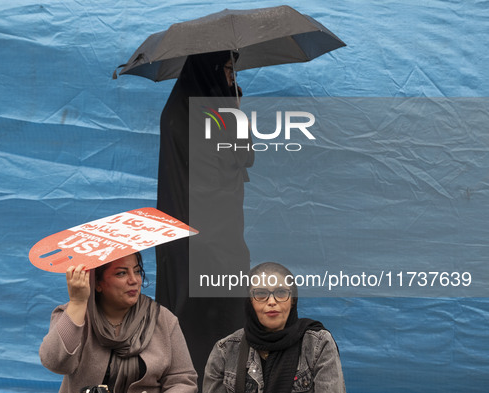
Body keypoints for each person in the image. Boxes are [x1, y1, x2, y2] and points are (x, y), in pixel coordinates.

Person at [155, 50, 254, 387]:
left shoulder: (181, 109)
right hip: (208, 241)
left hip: (202, 237)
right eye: (228, 70)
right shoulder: (203, 114)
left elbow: (242, 158)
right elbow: (235, 162)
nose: (232, 77)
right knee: (208, 320)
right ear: (210, 70)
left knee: (212, 316)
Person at [39, 252, 198, 393]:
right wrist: (77, 302)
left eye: (137, 271)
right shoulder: (75, 315)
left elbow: (182, 379)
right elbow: (56, 363)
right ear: (97, 283)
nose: (134, 280)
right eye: (121, 273)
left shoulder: (163, 319)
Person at [203, 262, 345, 393]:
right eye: (261, 294)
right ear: (250, 300)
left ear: (293, 300)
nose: (271, 301)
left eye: (281, 293)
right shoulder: (225, 350)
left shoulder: (317, 345)